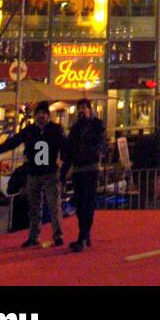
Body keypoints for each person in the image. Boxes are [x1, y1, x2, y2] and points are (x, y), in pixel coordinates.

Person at [0, 101, 66, 248]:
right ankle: (33, 236)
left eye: (43, 114)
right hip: (33, 172)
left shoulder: (55, 129)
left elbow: (64, 145)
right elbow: (16, 140)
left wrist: (63, 162)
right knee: (33, 206)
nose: (41, 116)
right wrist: (1, 148)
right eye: (38, 113)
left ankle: (58, 235)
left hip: (49, 172)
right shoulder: (30, 130)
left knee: (53, 205)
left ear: (47, 115)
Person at [61, 98, 107, 253]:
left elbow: (100, 144)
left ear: (90, 109)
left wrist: (92, 153)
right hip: (78, 168)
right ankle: (84, 233)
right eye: (79, 108)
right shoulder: (75, 128)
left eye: (83, 108)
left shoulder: (97, 125)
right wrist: (65, 170)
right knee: (80, 203)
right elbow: (69, 149)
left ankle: (84, 235)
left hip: (90, 167)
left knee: (87, 201)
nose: (81, 111)